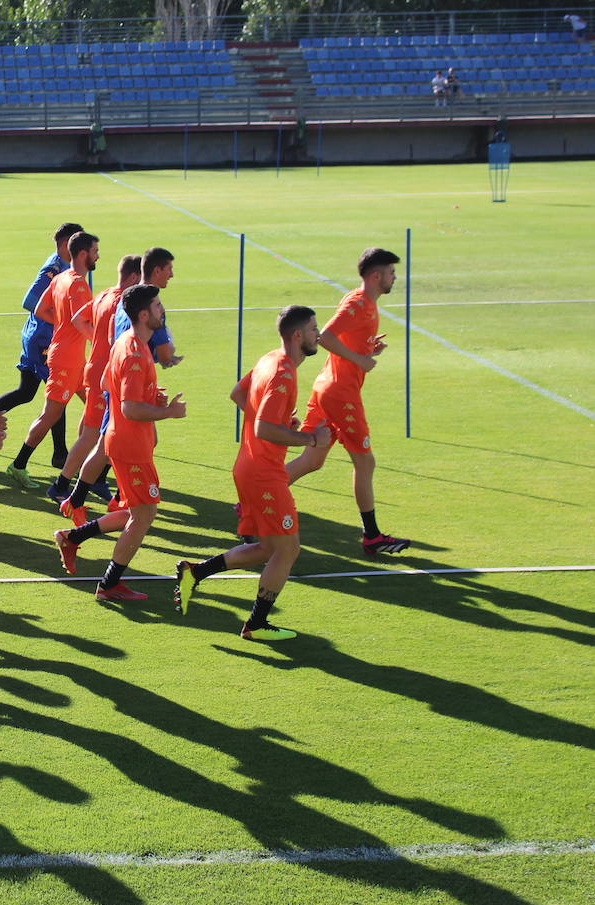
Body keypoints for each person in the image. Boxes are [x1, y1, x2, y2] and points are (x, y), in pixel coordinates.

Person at [174, 305, 328, 641]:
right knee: (288, 551)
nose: (319, 334)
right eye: (315, 329)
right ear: (298, 335)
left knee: (268, 548)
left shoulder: (269, 359)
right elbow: (262, 428)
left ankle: (195, 573)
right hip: (264, 473)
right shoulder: (283, 373)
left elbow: (238, 394)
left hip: (248, 466)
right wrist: (309, 437)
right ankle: (256, 625)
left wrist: (278, 423)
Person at [54, 285, 185, 600]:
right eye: (156, 305)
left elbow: (104, 383)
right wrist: (166, 411)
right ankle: (109, 584)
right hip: (130, 444)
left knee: (136, 509)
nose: (161, 310)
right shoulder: (136, 352)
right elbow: (128, 407)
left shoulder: (126, 343)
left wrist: (149, 394)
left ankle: (73, 537)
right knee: (145, 513)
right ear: (143, 315)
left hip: (124, 440)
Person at [284, 248, 410, 555]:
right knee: (365, 461)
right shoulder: (357, 303)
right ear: (375, 276)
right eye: (391, 272)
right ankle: (372, 537)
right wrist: (360, 360)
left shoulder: (364, 303)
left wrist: (367, 348)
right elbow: (325, 336)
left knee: (312, 460)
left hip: (329, 388)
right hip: (341, 394)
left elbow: (344, 338)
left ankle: (252, 499)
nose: (395, 277)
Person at [61, 246, 178, 521]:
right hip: (124, 384)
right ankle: (85, 499)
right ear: (157, 270)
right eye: (169, 269)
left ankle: (93, 498)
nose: (172, 274)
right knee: (107, 445)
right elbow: (162, 353)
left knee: (112, 444)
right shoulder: (145, 305)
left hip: (118, 379)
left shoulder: (124, 300)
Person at [0, 222, 84, 469]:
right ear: (64, 244)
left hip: (40, 338)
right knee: (58, 396)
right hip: (42, 340)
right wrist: (62, 321)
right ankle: (59, 454)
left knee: (28, 392)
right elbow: (29, 300)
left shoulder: (68, 267)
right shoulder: (54, 268)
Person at [5, 231, 98, 489]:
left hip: (72, 358)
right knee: (50, 415)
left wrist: (64, 324)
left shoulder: (61, 278)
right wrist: (96, 339)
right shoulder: (78, 283)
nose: (98, 255)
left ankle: (84, 462)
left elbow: (40, 309)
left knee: (96, 405)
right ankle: (19, 464)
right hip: (66, 361)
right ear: (82, 254)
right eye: (95, 251)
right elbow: (83, 321)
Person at [53, 253, 142, 516]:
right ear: (135, 277)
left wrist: (97, 340)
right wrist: (104, 345)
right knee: (95, 436)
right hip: (105, 375)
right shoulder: (122, 303)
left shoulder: (104, 294)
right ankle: (62, 486)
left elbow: (78, 319)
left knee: (92, 432)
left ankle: (101, 484)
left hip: (95, 370)